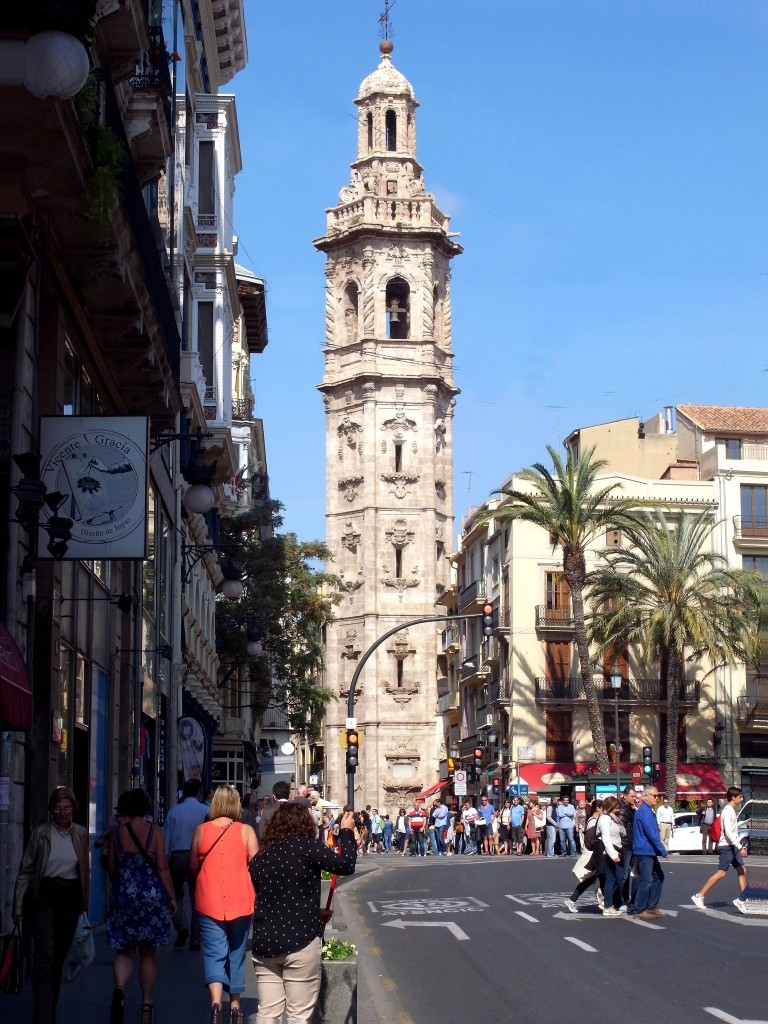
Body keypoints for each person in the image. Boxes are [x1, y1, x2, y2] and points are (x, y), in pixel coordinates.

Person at [250, 802, 357, 1024]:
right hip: (300, 940)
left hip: (266, 943)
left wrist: (313, 910)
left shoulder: (262, 856)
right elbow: (345, 864)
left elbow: (276, 896)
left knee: (268, 1013)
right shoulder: (307, 847)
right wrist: (346, 830)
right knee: (299, 1016)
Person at [13, 786, 90, 1024]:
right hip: (44, 895)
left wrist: (84, 904)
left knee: (57, 958)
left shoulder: (80, 833)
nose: (62, 813)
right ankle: (42, 1017)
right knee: (45, 956)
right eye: (57, 808)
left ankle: (50, 1009)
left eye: (67, 808)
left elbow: (84, 870)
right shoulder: (41, 834)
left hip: (70, 898)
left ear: (74, 809)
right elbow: (26, 871)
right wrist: (17, 905)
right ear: (51, 809)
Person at [106, 788, 176, 1024]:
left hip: (124, 893)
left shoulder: (116, 832)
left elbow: (113, 868)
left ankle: (119, 988)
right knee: (148, 952)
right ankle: (146, 1004)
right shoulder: (154, 831)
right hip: (151, 895)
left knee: (124, 950)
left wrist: (123, 884)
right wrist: (172, 897)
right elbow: (163, 868)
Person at [189, 785, 259, 1024]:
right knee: (237, 953)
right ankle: (236, 1005)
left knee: (213, 952)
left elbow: (191, 866)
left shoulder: (200, 831)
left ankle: (216, 1003)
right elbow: (257, 866)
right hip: (241, 900)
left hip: (209, 900)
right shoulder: (246, 831)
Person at [164, 778, 208, 951]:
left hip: (177, 855)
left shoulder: (174, 811)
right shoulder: (205, 810)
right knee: (197, 895)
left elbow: (167, 838)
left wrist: (166, 859)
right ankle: (196, 938)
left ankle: (180, 926)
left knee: (175, 893)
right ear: (199, 792)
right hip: (198, 856)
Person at [692, 786, 749, 913]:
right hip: (726, 846)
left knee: (742, 869)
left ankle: (742, 900)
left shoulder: (732, 810)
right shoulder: (727, 811)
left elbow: (732, 830)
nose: (741, 799)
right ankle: (699, 895)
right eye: (740, 797)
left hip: (732, 846)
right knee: (722, 873)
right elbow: (728, 832)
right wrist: (740, 847)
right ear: (733, 797)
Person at [631, 786, 669, 921]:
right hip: (644, 850)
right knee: (646, 880)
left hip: (649, 850)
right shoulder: (645, 811)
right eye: (655, 796)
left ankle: (651, 907)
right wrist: (663, 851)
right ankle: (639, 910)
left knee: (658, 876)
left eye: (658, 796)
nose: (657, 798)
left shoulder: (648, 811)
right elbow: (651, 834)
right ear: (646, 796)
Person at [564, 799, 605, 914]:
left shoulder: (594, 820)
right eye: (603, 808)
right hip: (594, 854)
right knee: (596, 878)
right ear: (598, 808)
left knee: (593, 879)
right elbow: (590, 841)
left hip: (595, 854)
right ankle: (602, 899)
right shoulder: (593, 822)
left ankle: (573, 900)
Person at [597, 796, 626, 916]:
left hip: (617, 850)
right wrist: (613, 854)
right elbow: (606, 838)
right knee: (612, 879)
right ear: (610, 807)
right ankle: (608, 905)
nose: (618, 810)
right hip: (609, 853)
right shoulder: (604, 819)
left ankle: (608, 902)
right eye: (616, 808)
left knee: (618, 878)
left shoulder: (612, 818)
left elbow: (622, 832)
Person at [618, 785, 638, 911]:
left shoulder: (630, 808)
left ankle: (625, 899)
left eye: (635, 796)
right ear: (624, 796)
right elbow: (620, 826)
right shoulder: (624, 809)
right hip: (625, 846)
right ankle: (620, 900)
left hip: (630, 845)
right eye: (632, 796)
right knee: (624, 875)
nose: (634, 798)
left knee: (627, 874)